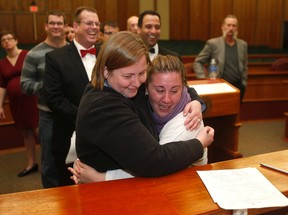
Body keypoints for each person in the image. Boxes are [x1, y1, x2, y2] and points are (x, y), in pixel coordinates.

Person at [69, 31, 214, 184]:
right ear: (106, 71)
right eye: (128, 76)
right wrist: (199, 144)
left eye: (142, 73)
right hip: (109, 192)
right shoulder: (103, 108)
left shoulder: (121, 86)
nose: (137, 82)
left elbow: (175, 83)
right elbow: (153, 162)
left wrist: (196, 101)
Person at [43, 6, 100, 186]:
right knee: (69, 192)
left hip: (106, 135)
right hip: (70, 135)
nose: (94, 27)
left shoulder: (108, 53)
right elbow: (54, 99)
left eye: (97, 24)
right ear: (75, 26)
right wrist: (86, 118)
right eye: (89, 23)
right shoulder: (55, 58)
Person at [20, 10, 67, 187]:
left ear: (65, 26)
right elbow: (24, 85)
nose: (56, 26)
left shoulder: (73, 51)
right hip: (49, 117)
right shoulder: (34, 54)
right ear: (46, 26)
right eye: (52, 23)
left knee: (75, 158)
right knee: (49, 161)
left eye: (59, 23)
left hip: (73, 115)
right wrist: (48, 86)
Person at [0, 30, 39, 177]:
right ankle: (31, 163)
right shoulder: (2, 63)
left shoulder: (28, 55)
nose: (7, 42)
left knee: (39, 131)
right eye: (4, 40)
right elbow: (2, 86)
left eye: (10, 38)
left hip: (31, 98)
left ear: (16, 41)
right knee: (25, 132)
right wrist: (0, 105)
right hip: (16, 102)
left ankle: (52, 162)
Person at [193, 14, 248, 101]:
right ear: (223, 27)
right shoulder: (213, 43)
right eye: (228, 25)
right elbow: (198, 62)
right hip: (218, 86)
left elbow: (244, 66)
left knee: (236, 113)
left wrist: (244, 83)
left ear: (237, 28)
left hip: (238, 87)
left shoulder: (243, 45)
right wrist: (203, 79)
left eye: (234, 26)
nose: (231, 28)